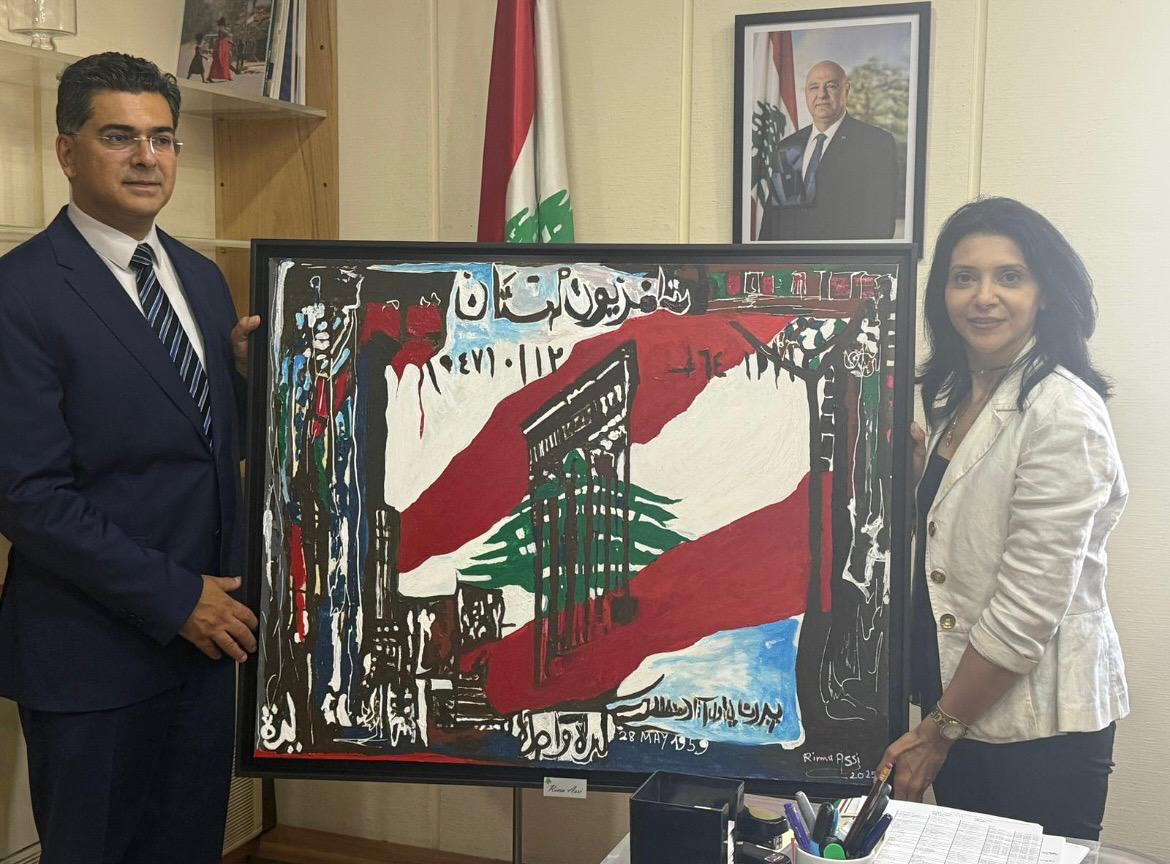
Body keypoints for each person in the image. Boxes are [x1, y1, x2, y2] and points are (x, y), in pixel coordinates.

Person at [0, 52, 261, 862]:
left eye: (163, 138)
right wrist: (178, 598)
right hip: (93, 660)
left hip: (207, 648)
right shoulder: (19, 292)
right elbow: (28, 495)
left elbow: (195, 442)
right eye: (119, 137)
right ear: (66, 151)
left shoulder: (202, 277)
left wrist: (245, 382)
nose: (148, 158)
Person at [881, 197, 1129, 841]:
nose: (983, 297)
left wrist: (938, 732)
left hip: (1034, 732)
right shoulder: (953, 396)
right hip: (960, 706)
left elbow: (1027, 605)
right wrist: (918, 482)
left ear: (1044, 293)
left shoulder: (1062, 413)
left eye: (1009, 276)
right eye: (964, 277)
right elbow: (963, 538)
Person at [758, 60, 898, 241]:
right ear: (806, 94)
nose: (821, 94)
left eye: (831, 86)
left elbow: (880, 223)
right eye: (814, 88)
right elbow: (774, 221)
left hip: (843, 258)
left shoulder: (875, 143)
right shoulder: (789, 146)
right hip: (791, 258)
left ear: (846, 90)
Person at [208, 17, 233, 83]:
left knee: (223, 61)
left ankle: (227, 76)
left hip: (223, 46)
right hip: (221, 46)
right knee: (219, 61)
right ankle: (210, 77)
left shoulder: (222, 29)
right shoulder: (221, 29)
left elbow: (226, 37)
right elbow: (226, 35)